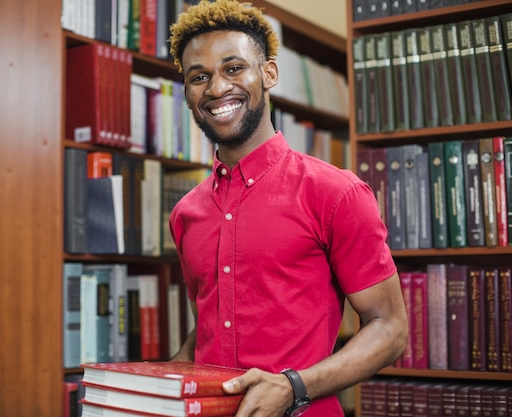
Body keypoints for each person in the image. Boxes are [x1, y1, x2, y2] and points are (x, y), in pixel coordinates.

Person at [167, 1, 408, 416]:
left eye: (233, 68)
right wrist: (157, 385)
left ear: (269, 73)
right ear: (188, 93)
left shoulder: (337, 193)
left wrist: (292, 386)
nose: (217, 88)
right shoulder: (186, 213)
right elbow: (206, 326)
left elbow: (390, 329)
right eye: (199, 77)